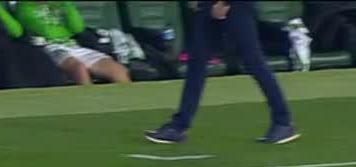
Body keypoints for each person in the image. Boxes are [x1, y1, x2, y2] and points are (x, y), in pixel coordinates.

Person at [146, 1, 299, 145]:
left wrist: (224, 3)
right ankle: (178, 127)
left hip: (234, 5)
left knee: (254, 62)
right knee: (197, 63)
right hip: (211, 5)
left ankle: (283, 122)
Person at [16, 1, 132, 85]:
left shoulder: (60, 5)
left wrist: (66, 4)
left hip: (73, 46)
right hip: (48, 47)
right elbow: (46, 31)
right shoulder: (24, 7)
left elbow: (77, 28)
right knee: (79, 68)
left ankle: (129, 107)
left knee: (118, 70)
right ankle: (92, 105)